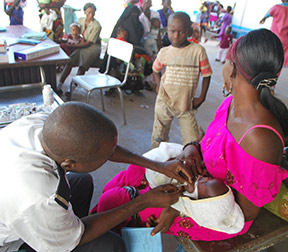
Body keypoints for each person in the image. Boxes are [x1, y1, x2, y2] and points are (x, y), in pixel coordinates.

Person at [147, 28, 288, 240]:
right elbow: (208, 145)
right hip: (200, 186)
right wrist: (191, 148)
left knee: (126, 203)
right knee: (135, 172)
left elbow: (242, 214)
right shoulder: (230, 104)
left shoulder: (260, 139)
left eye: (226, 61)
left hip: (219, 215)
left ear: (232, 70)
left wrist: (181, 206)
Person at [0, 101, 195, 252]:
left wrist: (158, 165)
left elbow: (105, 148)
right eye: (104, 159)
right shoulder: (38, 195)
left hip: (22, 203)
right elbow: (68, 239)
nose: (109, 158)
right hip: (12, 238)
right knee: (110, 245)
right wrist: (142, 202)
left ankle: (68, 224)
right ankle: (67, 229)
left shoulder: (46, 124)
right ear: (69, 164)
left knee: (82, 182)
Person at [93, 142, 245, 236]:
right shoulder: (193, 174)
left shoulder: (179, 197)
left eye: (205, 182)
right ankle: (100, 218)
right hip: (140, 186)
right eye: (208, 177)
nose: (204, 175)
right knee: (111, 194)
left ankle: (106, 225)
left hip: (132, 201)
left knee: (110, 200)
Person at [151, 12, 212, 149]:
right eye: (172, 31)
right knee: (159, 137)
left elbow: (207, 75)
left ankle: (189, 164)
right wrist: (159, 84)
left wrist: (202, 97)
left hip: (186, 104)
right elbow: (156, 69)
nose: (176, 36)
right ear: (167, 30)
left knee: (192, 141)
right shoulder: (165, 52)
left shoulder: (198, 51)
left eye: (181, 32)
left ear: (189, 31)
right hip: (164, 101)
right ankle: (155, 164)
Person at [57, 2, 102, 95]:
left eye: (93, 13)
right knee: (70, 61)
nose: (91, 15)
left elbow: (88, 43)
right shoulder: (81, 20)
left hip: (92, 47)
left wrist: (72, 45)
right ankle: (59, 85)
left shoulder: (96, 25)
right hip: (81, 43)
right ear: (85, 12)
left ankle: (72, 88)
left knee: (83, 64)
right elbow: (74, 32)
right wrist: (67, 40)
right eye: (89, 12)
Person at [259, 0, 288, 67]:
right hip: (285, 39)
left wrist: (263, 19)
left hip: (273, 37)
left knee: (269, 53)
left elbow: (268, 14)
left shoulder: (276, 7)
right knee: (281, 57)